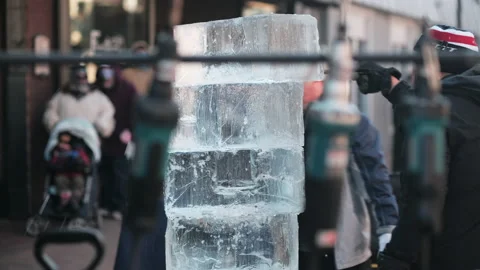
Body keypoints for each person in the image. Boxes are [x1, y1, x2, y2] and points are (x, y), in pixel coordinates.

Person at [355, 24, 480, 270]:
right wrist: (392, 87)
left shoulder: (436, 120)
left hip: (445, 257)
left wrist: (396, 257)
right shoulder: (467, 102)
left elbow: (425, 197)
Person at [300, 81, 399, 270]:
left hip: (344, 247)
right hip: (296, 246)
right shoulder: (276, 121)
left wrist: (387, 226)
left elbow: (374, 176)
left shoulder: (348, 119)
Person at [96, 64, 137, 220]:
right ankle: (105, 205)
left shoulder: (128, 89)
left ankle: (120, 207)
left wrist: (131, 132)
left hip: (122, 139)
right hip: (104, 138)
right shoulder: (98, 90)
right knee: (105, 172)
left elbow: (135, 111)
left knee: (120, 173)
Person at [43, 64, 115, 137]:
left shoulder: (98, 96)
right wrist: (57, 126)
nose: (81, 81)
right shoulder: (61, 96)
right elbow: (50, 112)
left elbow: (108, 111)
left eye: (84, 77)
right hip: (66, 139)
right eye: (78, 77)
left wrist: (100, 125)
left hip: (90, 138)